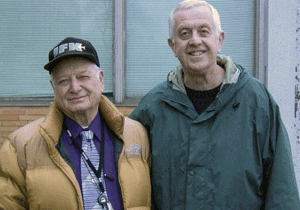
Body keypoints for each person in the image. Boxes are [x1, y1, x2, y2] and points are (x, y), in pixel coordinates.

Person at [129, 0, 300, 209]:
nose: (195, 41)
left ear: (219, 40)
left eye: (203, 31)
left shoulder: (256, 101)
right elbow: (129, 180)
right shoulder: (153, 107)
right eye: (184, 33)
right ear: (172, 45)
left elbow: (281, 188)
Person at [0, 37, 151, 210]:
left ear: (101, 80)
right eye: (63, 81)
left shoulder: (137, 134)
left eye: (83, 77)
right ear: (53, 87)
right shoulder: (20, 146)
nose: (74, 88)